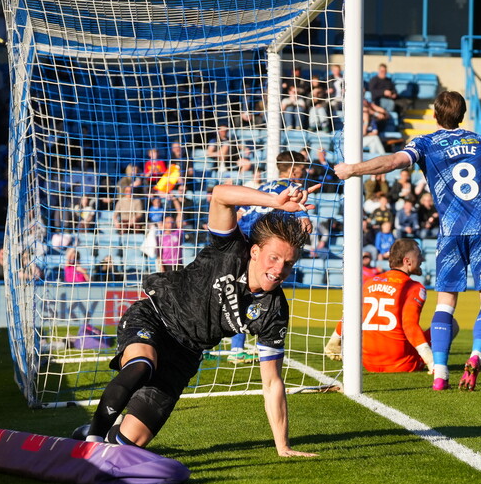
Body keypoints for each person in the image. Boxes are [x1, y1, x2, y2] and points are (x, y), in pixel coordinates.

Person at [336, 91, 481, 391]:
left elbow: (392, 162)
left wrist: (353, 169)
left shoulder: (425, 143)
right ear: (463, 114)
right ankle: (476, 354)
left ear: (434, 115)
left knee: (446, 304)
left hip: (450, 231)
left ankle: (440, 372)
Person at [72, 183, 318, 457]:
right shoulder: (230, 247)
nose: (279, 270)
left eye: (288, 263)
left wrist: (283, 446)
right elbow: (221, 194)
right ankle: (93, 437)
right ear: (255, 251)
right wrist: (275, 201)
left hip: (186, 354)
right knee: (142, 365)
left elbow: (272, 383)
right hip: (155, 318)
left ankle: (97, 433)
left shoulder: (274, 310)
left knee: (129, 444)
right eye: (274, 258)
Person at [234, 151, 312, 362]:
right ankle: (261, 343)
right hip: (262, 246)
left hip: (242, 242)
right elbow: (306, 226)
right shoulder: (293, 190)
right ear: (294, 169)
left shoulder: (264, 188)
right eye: (304, 168)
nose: (306, 172)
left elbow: (239, 213)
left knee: (239, 291)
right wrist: (304, 219)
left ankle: (235, 347)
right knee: (260, 293)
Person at [323, 239, 436, 373]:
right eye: (419, 255)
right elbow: (409, 325)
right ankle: (437, 365)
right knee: (449, 323)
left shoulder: (369, 283)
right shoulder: (415, 287)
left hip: (368, 362)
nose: (422, 259)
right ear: (407, 261)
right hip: (402, 364)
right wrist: (430, 359)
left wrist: (334, 340)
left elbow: (351, 314)